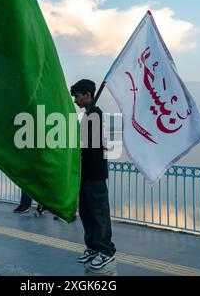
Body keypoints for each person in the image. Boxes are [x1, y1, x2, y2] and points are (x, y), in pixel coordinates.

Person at [71, 79, 116, 270]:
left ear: (88, 95)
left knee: (99, 214)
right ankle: (92, 246)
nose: (75, 100)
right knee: (86, 213)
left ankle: (105, 250)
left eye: (77, 96)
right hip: (85, 175)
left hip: (95, 175)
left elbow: (91, 145)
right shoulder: (88, 115)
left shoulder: (95, 115)